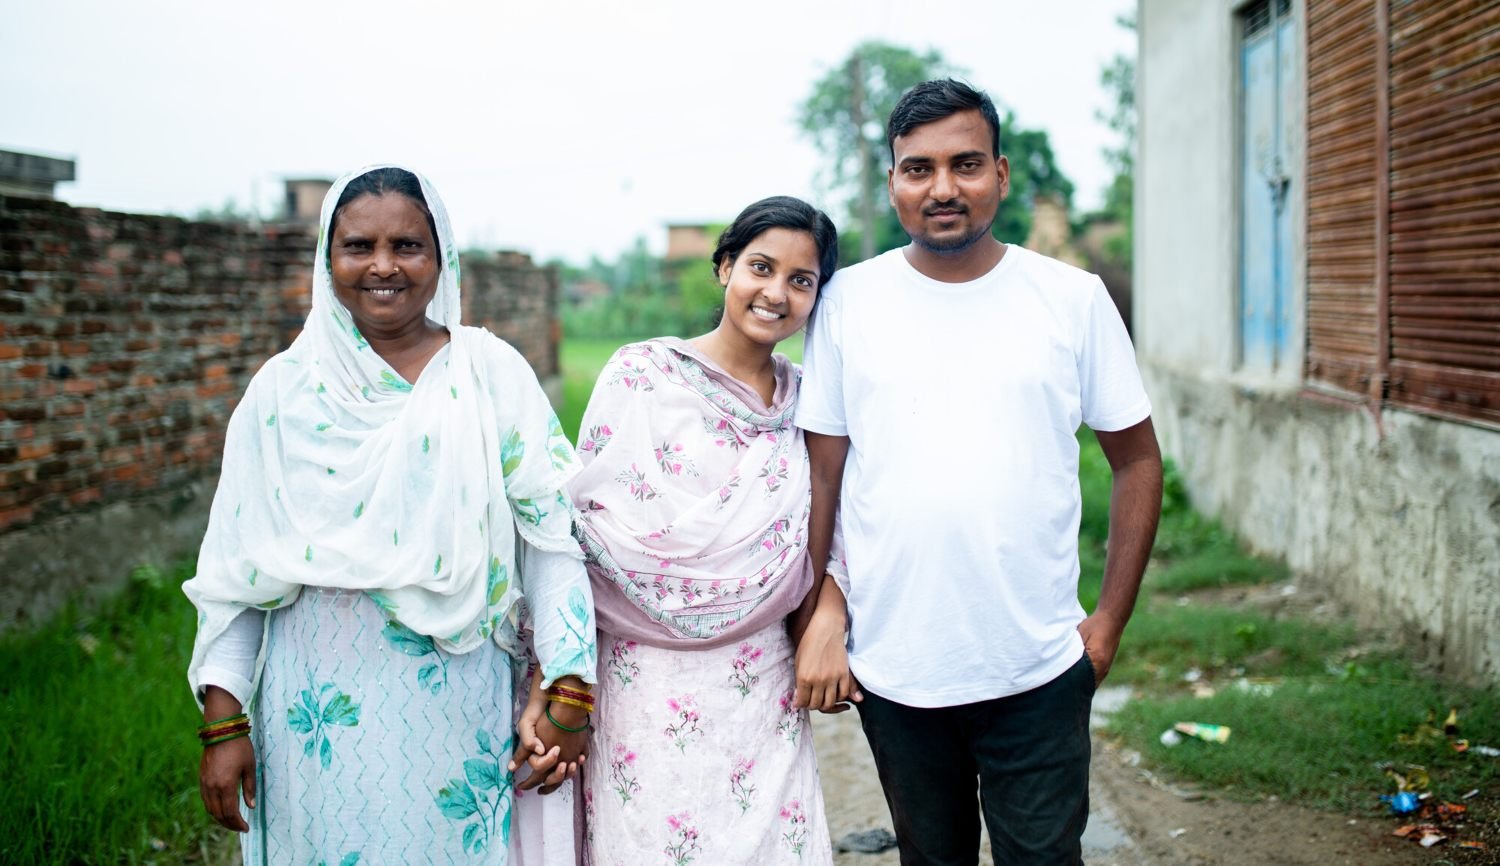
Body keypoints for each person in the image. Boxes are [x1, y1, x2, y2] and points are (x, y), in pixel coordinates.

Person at [793, 80, 1164, 865]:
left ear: (999, 172)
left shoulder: (1071, 299)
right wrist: (824, 610)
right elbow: (824, 479)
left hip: (1038, 667)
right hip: (896, 671)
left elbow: (1136, 460)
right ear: (892, 182)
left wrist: (1109, 624)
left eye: (965, 165)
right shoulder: (847, 303)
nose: (943, 189)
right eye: (918, 169)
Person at [183, 165, 597, 864]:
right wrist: (225, 726)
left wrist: (571, 688)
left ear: (441, 257)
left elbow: (550, 537)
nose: (383, 266)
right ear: (327, 258)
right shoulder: (281, 392)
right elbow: (236, 568)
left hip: (456, 709)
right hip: (311, 715)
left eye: (407, 246)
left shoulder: (489, 374)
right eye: (358, 246)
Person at [569, 196, 840, 865]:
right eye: (760, 267)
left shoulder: (811, 405)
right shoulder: (643, 376)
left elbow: (833, 527)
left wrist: (830, 608)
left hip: (760, 681)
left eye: (800, 280)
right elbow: (588, 531)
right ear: (725, 267)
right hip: (643, 678)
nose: (776, 292)